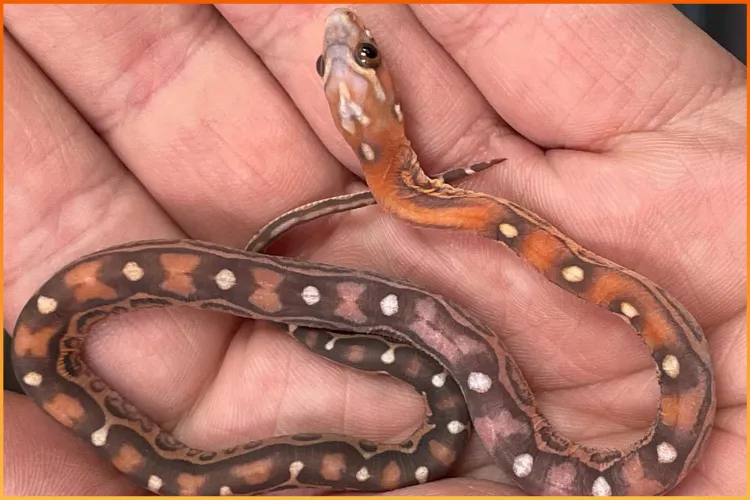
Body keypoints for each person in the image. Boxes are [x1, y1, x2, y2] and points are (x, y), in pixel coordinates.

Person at [3, 3, 744, 496]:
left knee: (423, 342)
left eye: (356, 55)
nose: (341, 46)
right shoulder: (421, 196)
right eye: (344, 62)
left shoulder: (419, 195)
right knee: (419, 345)